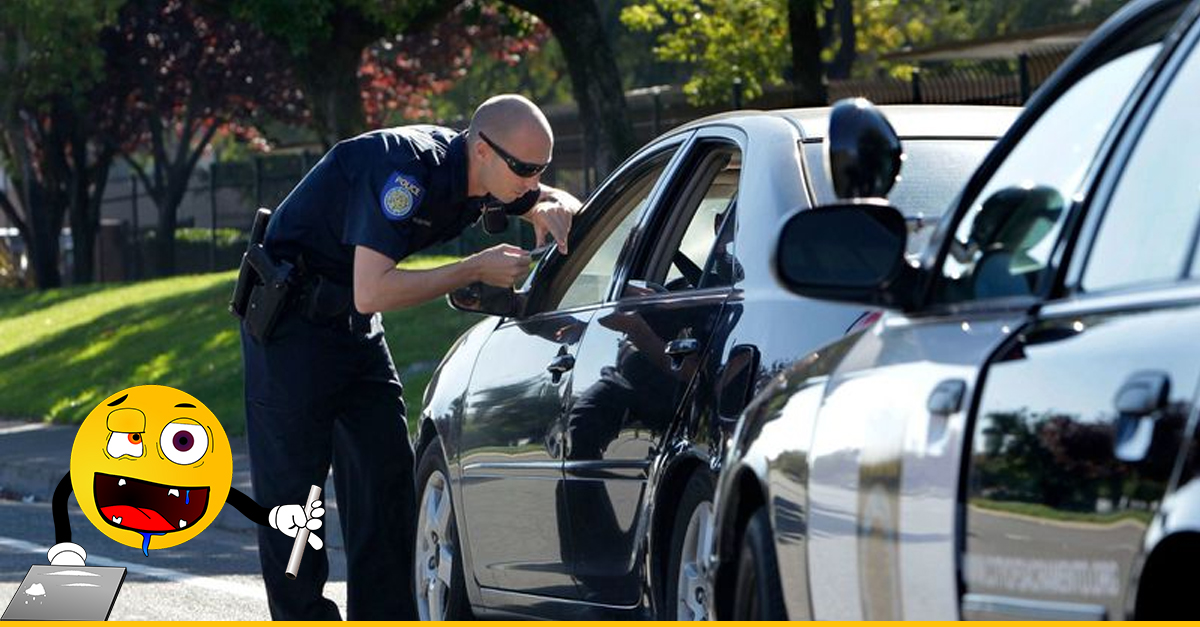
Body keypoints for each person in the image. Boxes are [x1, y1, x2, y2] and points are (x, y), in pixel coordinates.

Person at [238, 94, 581, 620]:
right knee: (295, 500)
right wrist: (474, 268)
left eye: (542, 169)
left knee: (386, 482)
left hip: (353, 330)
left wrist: (552, 203)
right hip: (292, 329)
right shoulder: (405, 173)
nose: (532, 181)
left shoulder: (487, 173)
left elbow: (546, 197)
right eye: (525, 169)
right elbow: (371, 291)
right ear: (483, 150)